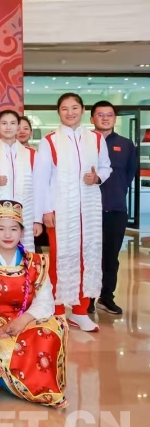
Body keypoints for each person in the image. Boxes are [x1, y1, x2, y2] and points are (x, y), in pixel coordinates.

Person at [0, 200, 68, 407]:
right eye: (1, 229)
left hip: (24, 320)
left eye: (14, 229)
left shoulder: (36, 262)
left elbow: (46, 302)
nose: (7, 234)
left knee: (50, 330)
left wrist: (23, 320)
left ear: (22, 232)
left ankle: (33, 385)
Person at [33, 92, 110, 332]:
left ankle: (80, 311)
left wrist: (97, 177)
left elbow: (106, 167)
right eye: (65, 108)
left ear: (83, 110)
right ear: (58, 112)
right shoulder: (50, 141)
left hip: (89, 209)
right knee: (60, 258)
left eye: (74, 107)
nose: (70, 112)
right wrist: (44, 211)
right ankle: (56, 310)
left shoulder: (96, 139)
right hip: (61, 210)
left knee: (89, 256)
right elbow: (40, 180)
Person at [91, 101, 137, 316]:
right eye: (100, 114)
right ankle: (87, 298)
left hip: (116, 208)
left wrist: (116, 191)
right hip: (89, 209)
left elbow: (129, 173)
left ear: (114, 119)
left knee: (111, 256)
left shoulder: (125, 144)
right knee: (90, 255)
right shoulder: (86, 142)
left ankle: (106, 297)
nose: (105, 118)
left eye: (109, 114)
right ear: (92, 118)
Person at [0, 110, 38, 252]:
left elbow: (39, 190)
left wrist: (37, 219)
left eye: (12, 123)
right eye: (4, 123)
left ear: (18, 126)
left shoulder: (31, 154)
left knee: (25, 254)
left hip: (26, 214)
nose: (8, 127)